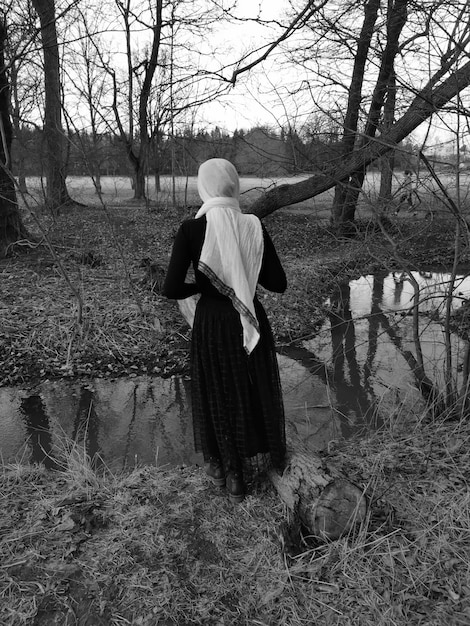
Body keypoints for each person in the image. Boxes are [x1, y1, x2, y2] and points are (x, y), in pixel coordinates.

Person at [162, 158, 287, 503]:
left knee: (216, 390)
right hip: (249, 320)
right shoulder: (254, 226)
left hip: (213, 322)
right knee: (249, 388)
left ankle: (227, 471)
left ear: (204, 186)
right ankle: (253, 460)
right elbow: (279, 284)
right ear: (234, 185)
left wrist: (203, 287)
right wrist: (244, 274)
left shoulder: (191, 229)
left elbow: (171, 288)